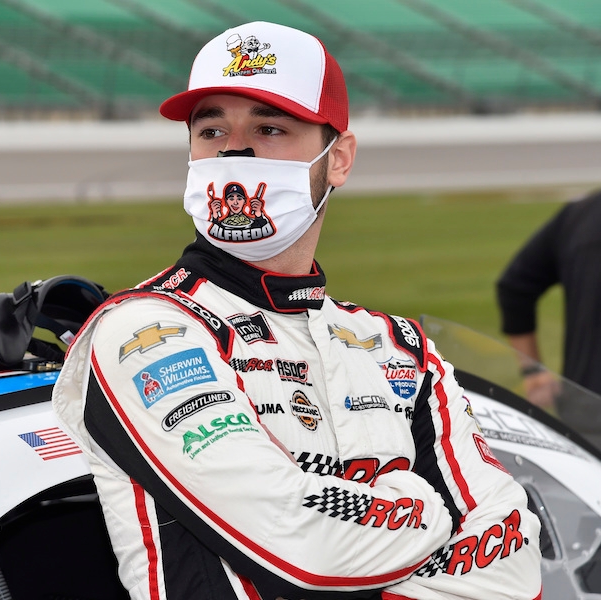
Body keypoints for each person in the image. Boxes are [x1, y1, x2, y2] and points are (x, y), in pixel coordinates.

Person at [53, 21, 541, 600]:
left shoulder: (402, 349)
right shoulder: (146, 329)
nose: (234, 150)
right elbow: (303, 548)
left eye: (270, 128)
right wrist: (426, 511)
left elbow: (512, 560)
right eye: (211, 130)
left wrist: (373, 533)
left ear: (339, 160)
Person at [496, 189, 601, 436]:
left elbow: (514, 286)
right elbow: (514, 287)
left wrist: (532, 370)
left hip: (585, 413)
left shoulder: (581, 213)